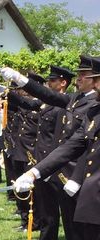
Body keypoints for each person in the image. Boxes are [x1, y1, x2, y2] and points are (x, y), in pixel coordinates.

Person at [13, 57, 100, 240]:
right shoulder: (93, 111)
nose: (95, 85)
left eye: (96, 79)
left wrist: (76, 177)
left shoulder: (92, 106)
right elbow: (76, 144)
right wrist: (34, 173)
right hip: (83, 187)